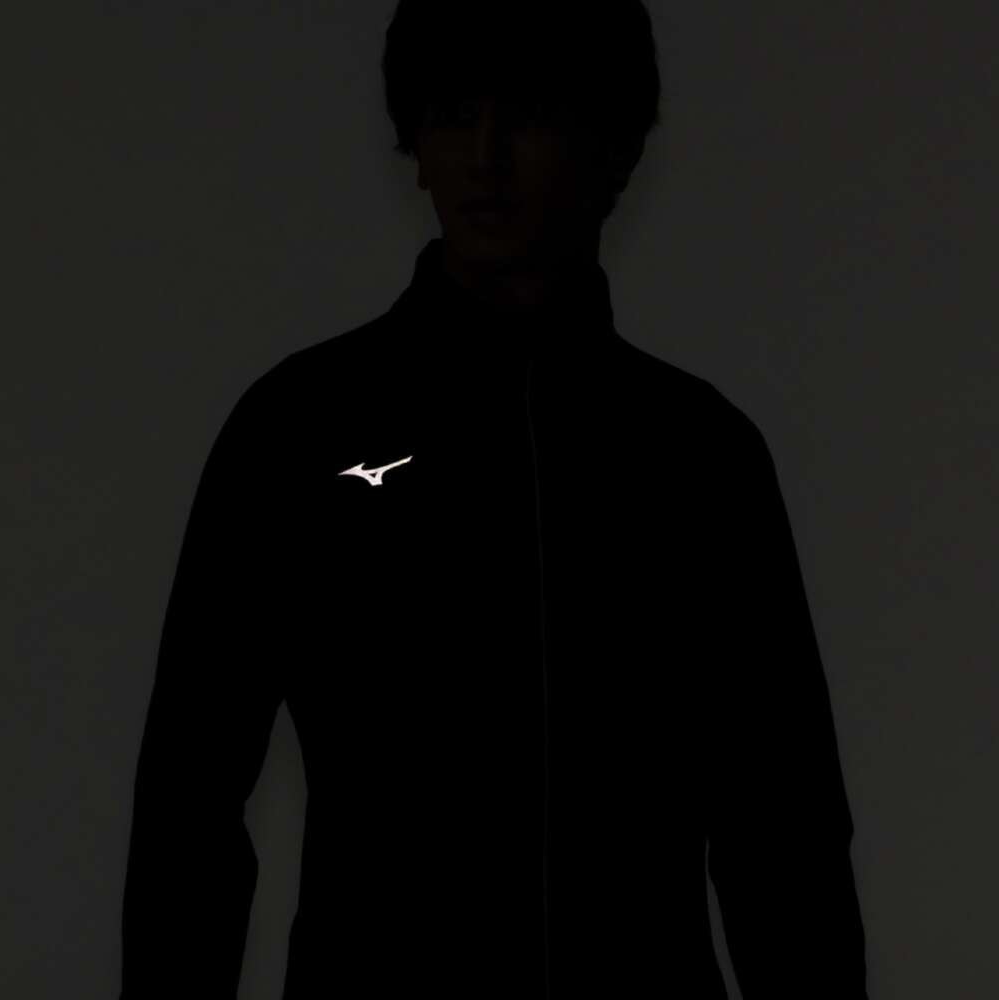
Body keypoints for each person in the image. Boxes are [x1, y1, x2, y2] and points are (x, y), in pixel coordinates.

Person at [119, 1, 870, 997]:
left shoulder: (701, 454)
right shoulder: (298, 429)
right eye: (453, 114)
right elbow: (188, 796)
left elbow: (783, 826)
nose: (485, 155)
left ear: (615, 149)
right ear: (414, 146)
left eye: (530, 115)